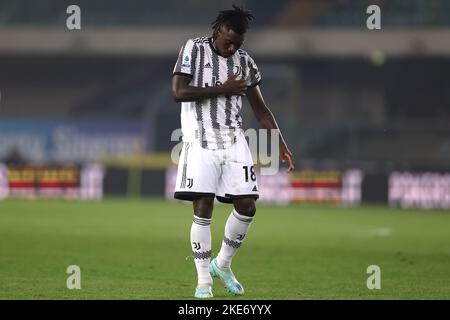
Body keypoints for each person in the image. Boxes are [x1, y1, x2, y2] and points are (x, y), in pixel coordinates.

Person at [171, 5, 295, 298]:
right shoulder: (193, 49)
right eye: (228, 41)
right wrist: (221, 89)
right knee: (203, 207)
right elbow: (178, 92)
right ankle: (203, 280)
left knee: (247, 205)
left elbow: (260, 109)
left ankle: (222, 264)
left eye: (237, 44)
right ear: (217, 31)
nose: (231, 48)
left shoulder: (245, 63)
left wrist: (280, 143)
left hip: (234, 139)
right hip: (199, 138)